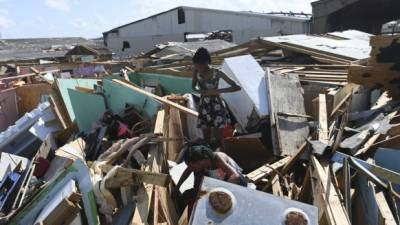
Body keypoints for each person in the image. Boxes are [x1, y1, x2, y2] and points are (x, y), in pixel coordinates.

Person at [192, 47, 241, 151]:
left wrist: (217, 91)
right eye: (196, 65)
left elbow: (236, 87)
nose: (198, 67)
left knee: (219, 136)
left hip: (217, 105)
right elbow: (193, 87)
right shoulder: (196, 72)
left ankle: (224, 157)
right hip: (204, 106)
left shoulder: (217, 73)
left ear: (206, 63)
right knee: (206, 137)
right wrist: (200, 91)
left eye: (200, 65)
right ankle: (207, 157)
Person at [175, 145, 247, 212]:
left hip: (235, 182)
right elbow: (187, 171)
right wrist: (177, 187)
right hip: (217, 182)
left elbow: (235, 175)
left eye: (192, 166)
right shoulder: (198, 165)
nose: (190, 168)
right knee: (188, 195)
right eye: (189, 166)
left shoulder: (217, 158)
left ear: (203, 160)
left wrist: (221, 192)